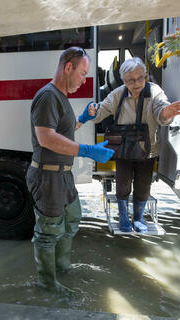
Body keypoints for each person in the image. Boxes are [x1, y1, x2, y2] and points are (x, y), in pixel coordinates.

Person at [26, 47, 114, 294]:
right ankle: (46, 283)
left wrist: (83, 119)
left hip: (62, 174)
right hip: (47, 176)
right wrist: (87, 150)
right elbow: (46, 138)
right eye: (83, 73)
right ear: (68, 67)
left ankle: (62, 267)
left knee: (73, 217)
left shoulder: (60, 97)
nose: (84, 79)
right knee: (48, 231)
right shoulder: (47, 96)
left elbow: (63, 130)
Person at [77, 57, 180, 233]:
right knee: (122, 185)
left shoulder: (154, 91)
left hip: (148, 149)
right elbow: (102, 111)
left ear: (145, 76)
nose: (137, 83)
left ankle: (138, 218)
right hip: (124, 149)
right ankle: (123, 218)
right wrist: (93, 112)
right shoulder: (118, 93)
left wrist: (167, 113)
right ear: (123, 80)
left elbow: (161, 109)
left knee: (143, 185)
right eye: (131, 80)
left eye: (140, 78)